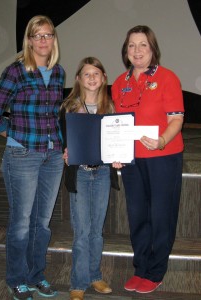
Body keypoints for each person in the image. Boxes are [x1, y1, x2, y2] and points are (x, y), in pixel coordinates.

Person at [0, 15, 65, 300]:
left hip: (53, 155)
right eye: (38, 35)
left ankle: (36, 275)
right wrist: (16, 136)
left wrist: (60, 143)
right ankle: (16, 278)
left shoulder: (58, 73)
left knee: (41, 223)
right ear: (29, 40)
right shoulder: (15, 72)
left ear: (54, 39)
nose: (44, 40)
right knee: (21, 222)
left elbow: (53, 114)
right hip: (22, 156)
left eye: (48, 35)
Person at [111, 25, 184, 294]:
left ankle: (156, 271)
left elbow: (176, 118)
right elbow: (116, 124)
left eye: (143, 45)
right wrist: (115, 153)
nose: (137, 50)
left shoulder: (168, 78)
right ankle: (140, 268)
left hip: (163, 156)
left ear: (153, 49)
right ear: (125, 50)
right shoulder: (120, 83)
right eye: (132, 45)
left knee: (161, 214)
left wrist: (162, 139)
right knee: (138, 215)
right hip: (132, 160)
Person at [60, 57, 119, 300]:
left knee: (97, 231)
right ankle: (78, 281)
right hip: (81, 175)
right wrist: (64, 151)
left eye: (97, 73)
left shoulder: (111, 108)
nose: (92, 78)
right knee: (82, 231)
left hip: (103, 173)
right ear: (78, 79)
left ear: (104, 78)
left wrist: (118, 157)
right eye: (87, 74)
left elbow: (117, 142)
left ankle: (94, 276)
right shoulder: (69, 108)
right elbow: (62, 141)